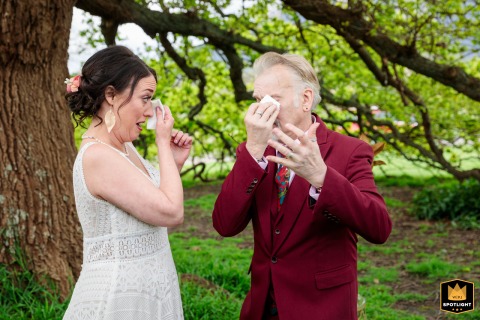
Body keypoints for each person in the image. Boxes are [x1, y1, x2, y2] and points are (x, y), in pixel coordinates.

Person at [212, 52, 392, 320]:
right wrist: (253, 151)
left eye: (273, 100)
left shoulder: (351, 151)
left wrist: (321, 176)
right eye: (258, 101)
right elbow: (225, 225)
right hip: (263, 306)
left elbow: (379, 228)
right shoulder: (254, 150)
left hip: (322, 307)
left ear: (305, 99)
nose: (263, 110)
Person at [63, 45, 192, 320]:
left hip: (149, 287)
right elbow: (171, 212)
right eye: (145, 98)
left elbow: (151, 206)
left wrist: (173, 161)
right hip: (119, 298)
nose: (149, 111)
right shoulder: (99, 156)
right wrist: (161, 143)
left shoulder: (122, 148)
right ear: (111, 94)